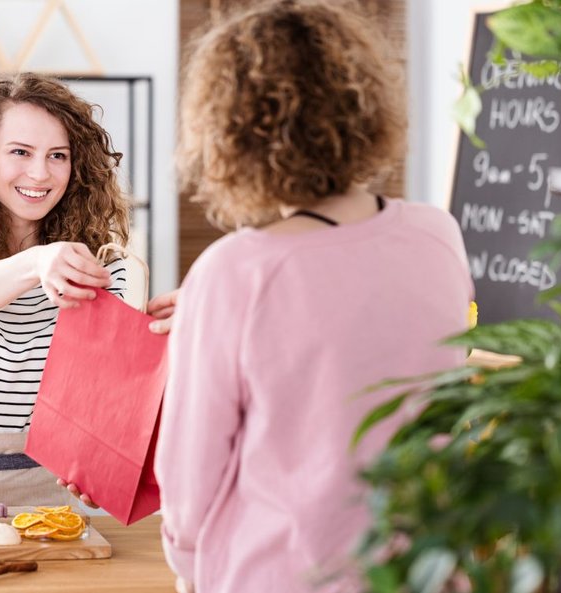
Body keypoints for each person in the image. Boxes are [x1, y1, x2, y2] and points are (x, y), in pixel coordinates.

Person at [153, 1, 475, 592]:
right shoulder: (438, 235)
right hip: (423, 568)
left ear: (231, 133)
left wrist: (189, 569)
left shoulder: (233, 272)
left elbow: (189, 473)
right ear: (364, 105)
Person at [0, 72, 174, 510]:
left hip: (49, 494)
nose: (40, 173)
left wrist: (101, 464)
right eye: (20, 152)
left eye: (57, 155)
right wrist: (38, 262)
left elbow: (100, 392)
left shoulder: (101, 267)